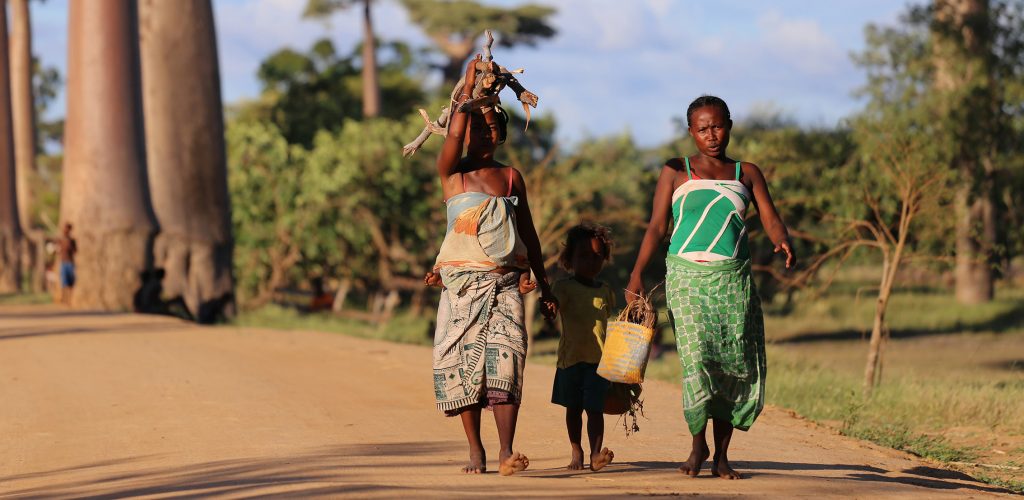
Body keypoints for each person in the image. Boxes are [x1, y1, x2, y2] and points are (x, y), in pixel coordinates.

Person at [626, 95, 795, 480]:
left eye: (717, 126)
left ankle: (721, 456)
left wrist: (782, 239)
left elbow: (770, 217)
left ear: (730, 125)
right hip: (685, 278)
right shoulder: (676, 170)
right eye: (702, 128)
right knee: (698, 360)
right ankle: (697, 443)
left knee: (731, 366)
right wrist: (637, 273)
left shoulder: (746, 172)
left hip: (733, 280)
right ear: (691, 132)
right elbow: (656, 227)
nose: (711, 135)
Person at [423, 55, 557, 476]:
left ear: (501, 134)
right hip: (461, 288)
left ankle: (506, 451)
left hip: (505, 284)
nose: (486, 132)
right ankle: (476, 450)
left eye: (493, 127)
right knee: (465, 366)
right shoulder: (453, 175)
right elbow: (454, 134)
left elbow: (529, 234)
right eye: (477, 127)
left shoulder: (512, 178)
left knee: (508, 361)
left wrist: (544, 282)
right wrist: (468, 87)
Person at [550, 223, 616, 471]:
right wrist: (549, 307)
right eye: (583, 257)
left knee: (595, 410)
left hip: (599, 362)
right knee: (574, 409)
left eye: (597, 257)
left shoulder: (606, 291)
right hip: (570, 360)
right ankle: (576, 450)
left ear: (604, 259)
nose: (590, 262)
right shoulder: (563, 287)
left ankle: (595, 453)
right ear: (570, 259)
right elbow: (553, 307)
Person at [58, 223, 78, 306]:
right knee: (64, 282)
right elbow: (57, 251)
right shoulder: (60, 240)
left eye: (67, 229)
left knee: (70, 283)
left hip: (70, 263)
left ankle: (70, 300)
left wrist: (70, 246)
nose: (65, 231)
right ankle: (63, 299)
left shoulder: (72, 241)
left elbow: (75, 251)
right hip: (63, 263)